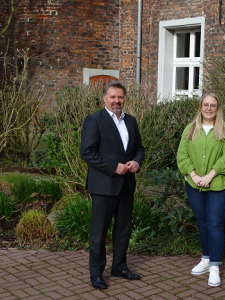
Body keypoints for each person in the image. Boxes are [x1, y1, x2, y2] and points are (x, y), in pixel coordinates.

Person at [80, 81, 145, 290]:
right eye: (113, 97)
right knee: (99, 233)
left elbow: (139, 149)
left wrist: (136, 161)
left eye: (121, 97)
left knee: (123, 230)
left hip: (126, 185)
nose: (117, 100)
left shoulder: (131, 121)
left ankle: (119, 267)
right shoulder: (94, 120)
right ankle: (96, 274)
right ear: (104, 98)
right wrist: (112, 167)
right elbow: (87, 152)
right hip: (104, 186)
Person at [177, 93, 225, 287]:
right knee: (202, 223)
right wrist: (193, 175)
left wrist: (210, 175)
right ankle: (205, 258)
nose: (209, 108)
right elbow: (182, 155)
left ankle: (214, 266)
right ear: (200, 107)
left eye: (213, 105)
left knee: (214, 224)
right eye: (206, 105)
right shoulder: (190, 129)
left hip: (220, 183)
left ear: (218, 108)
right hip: (194, 183)